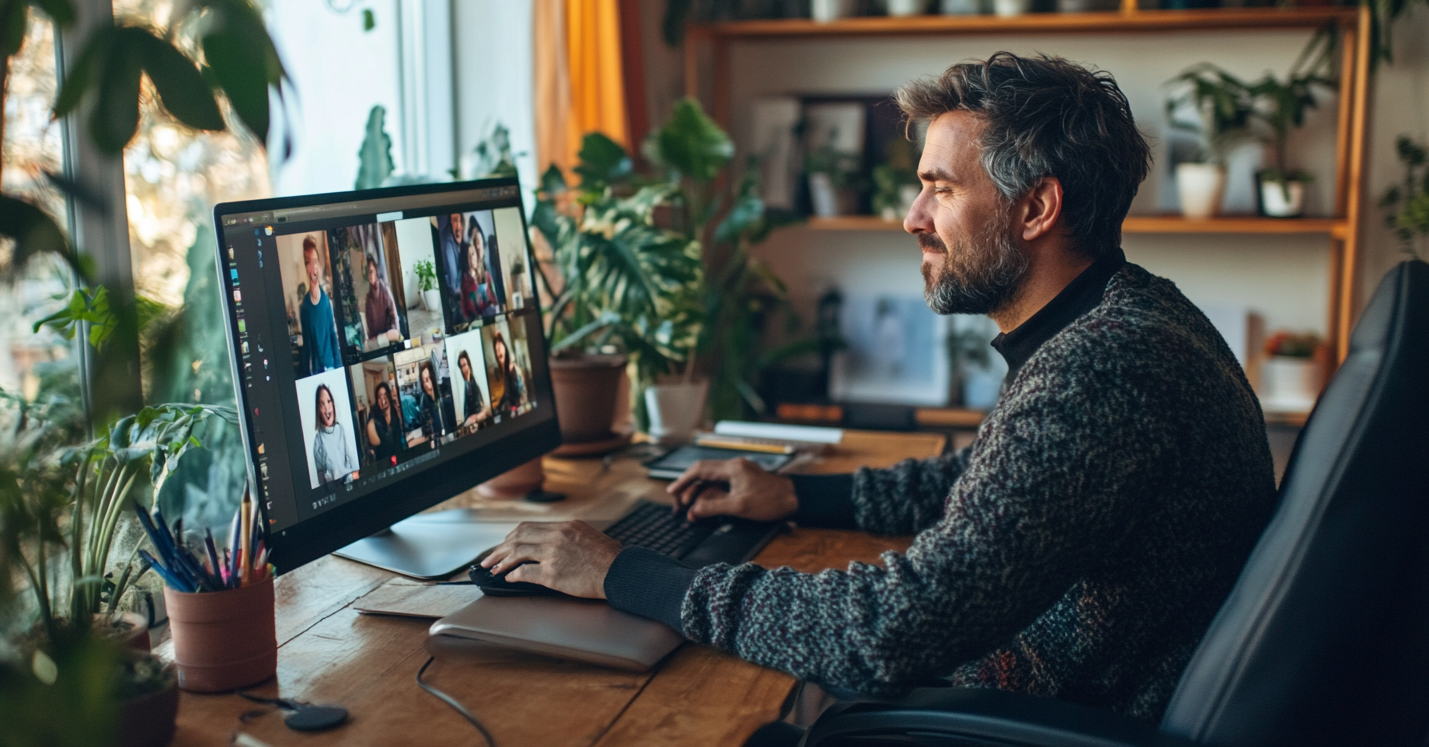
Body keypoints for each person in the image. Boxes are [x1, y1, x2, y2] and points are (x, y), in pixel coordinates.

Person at [478, 53, 1278, 725]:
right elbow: (985, 483)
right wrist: (797, 498)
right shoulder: (1128, 313)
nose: (912, 216)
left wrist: (625, 574)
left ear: (1036, 208)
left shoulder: (1100, 372)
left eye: (942, 188)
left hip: (1044, 716)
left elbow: (887, 630)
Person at [298, 236, 342, 375]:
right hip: (315, 371)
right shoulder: (304, 307)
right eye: (308, 262)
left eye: (315, 261)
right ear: (306, 267)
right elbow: (306, 348)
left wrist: (340, 369)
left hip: (332, 368)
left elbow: (333, 337)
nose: (313, 267)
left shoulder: (326, 303)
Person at [310, 383, 357, 486]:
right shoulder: (318, 441)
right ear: (318, 409)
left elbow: (352, 461)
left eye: (328, 401)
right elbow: (321, 476)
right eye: (322, 404)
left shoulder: (341, 429)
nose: (327, 409)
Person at [460, 225, 500, 322]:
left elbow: (495, 301)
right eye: (475, 242)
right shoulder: (464, 279)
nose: (478, 246)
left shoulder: (488, 273)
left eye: (479, 242)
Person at [364, 253, 402, 345]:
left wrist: (396, 337)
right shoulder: (368, 299)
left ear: (376, 271)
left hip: (390, 337)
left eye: (371, 272)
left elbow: (394, 317)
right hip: (378, 341)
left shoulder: (385, 290)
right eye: (368, 273)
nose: (370, 275)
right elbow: (370, 329)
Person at [489, 331, 528, 417]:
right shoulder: (499, 375)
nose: (499, 352)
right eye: (497, 351)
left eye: (500, 347)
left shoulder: (515, 370)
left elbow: (523, 394)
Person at [365, 381, 403, 465]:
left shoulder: (395, 413)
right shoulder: (374, 419)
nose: (382, 399)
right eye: (379, 397)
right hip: (383, 463)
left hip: (400, 457)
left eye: (385, 394)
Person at [439, 213, 466, 321]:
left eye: (460, 221)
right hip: (454, 299)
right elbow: (452, 274)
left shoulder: (461, 241)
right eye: (455, 221)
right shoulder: (448, 241)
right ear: (450, 223)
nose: (458, 225)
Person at [416, 364, 452, 439]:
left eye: (428, 378)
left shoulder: (438, 393)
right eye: (424, 380)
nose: (426, 382)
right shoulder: (424, 402)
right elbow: (427, 430)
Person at [454, 350, 489, 426]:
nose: (465, 368)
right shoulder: (464, 387)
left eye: (466, 364)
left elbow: (483, 405)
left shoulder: (476, 382)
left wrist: (477, 417)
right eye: (462, 366)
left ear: (469, 364)